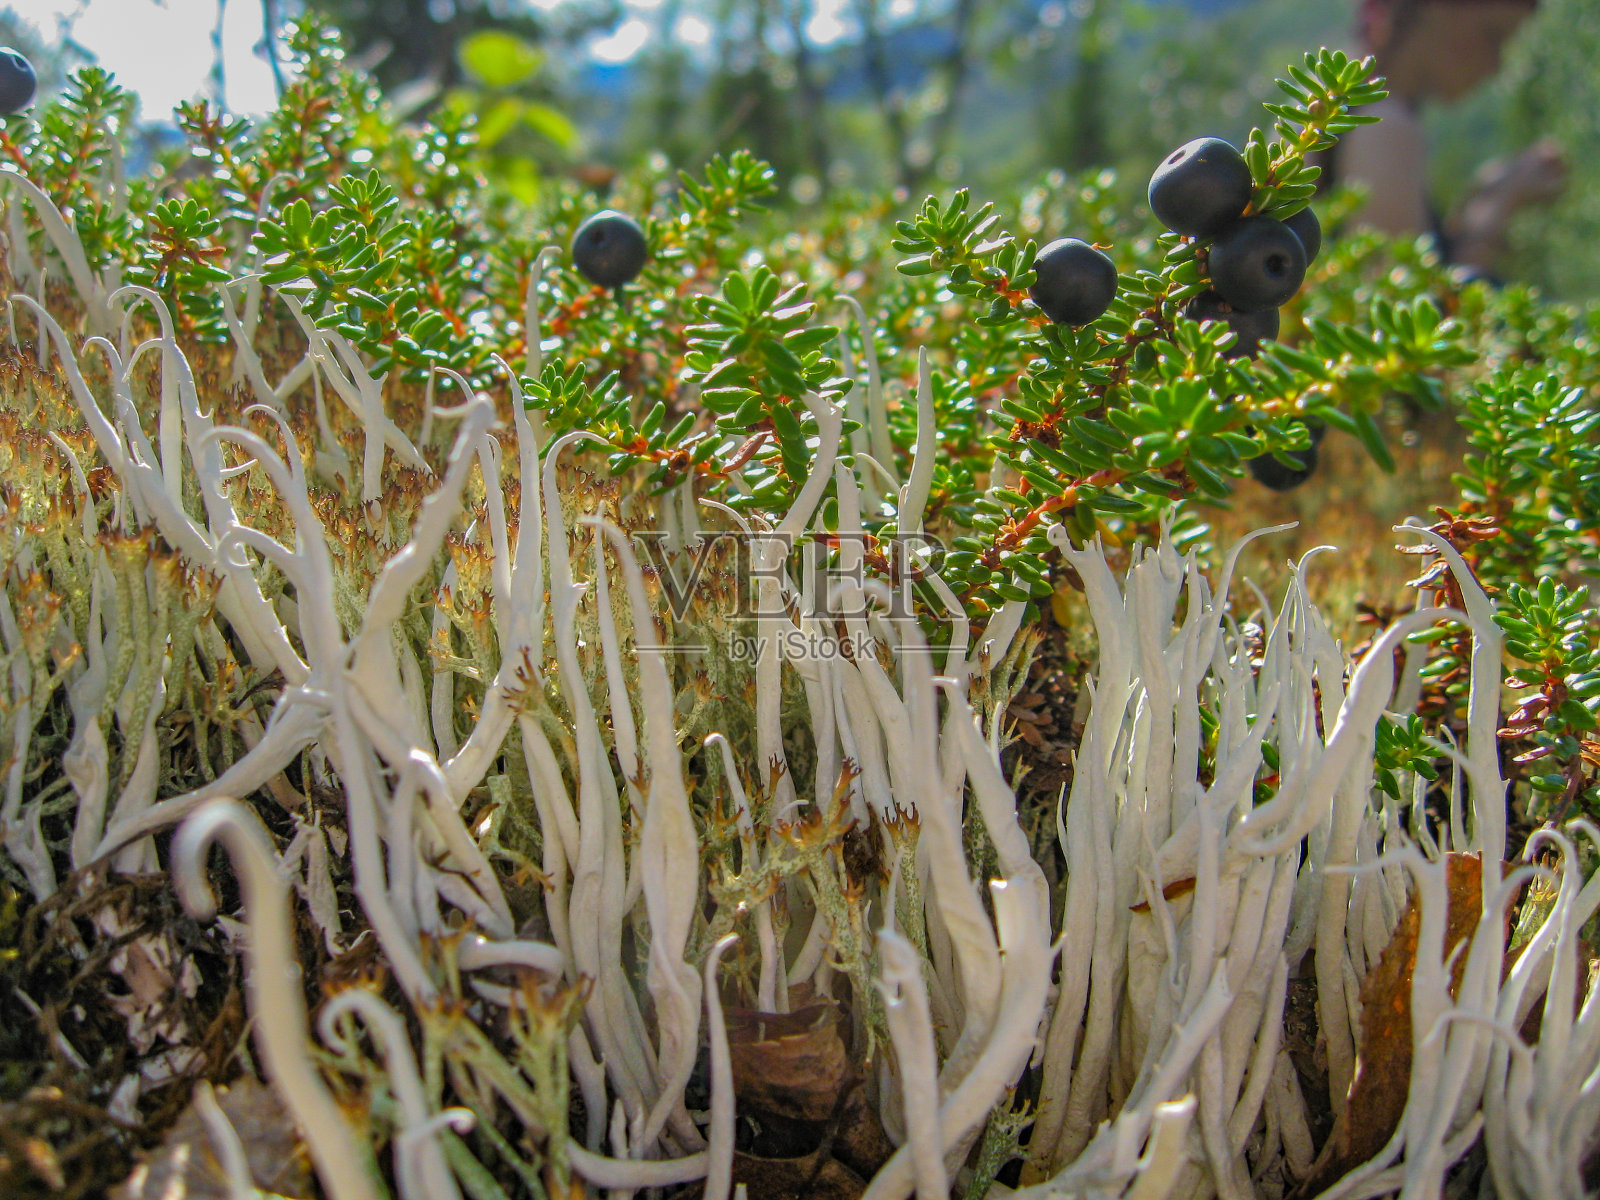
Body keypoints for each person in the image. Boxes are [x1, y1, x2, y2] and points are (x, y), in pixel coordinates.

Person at [1330, 0, 1566, 275]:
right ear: (1434, 10)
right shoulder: (1386, 125)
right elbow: (1400, 299)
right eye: (1492, 36)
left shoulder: (1341, 100)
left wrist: (1482, 202)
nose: (1496, 64)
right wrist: (1495, 214)